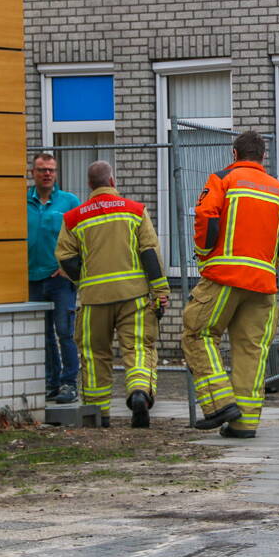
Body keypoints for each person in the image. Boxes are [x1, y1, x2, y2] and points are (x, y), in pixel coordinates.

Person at [180, 131, 279, 438]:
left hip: (223, 277)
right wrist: (272, 259)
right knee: (251, 349)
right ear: (263, 157)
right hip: (263, 283)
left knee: (198, 333)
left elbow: (205, 216)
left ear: (234, 154)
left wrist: (203, 252)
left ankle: (219, 404)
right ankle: (244, 423)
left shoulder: (222, 179)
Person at [55, 161, 169, 428]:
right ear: (113, 182)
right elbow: (149, 253)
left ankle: (98, 413)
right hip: (135, 296)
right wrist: (160, 292)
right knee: (138, 348)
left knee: (95, 354)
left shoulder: (74, 218)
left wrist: (86, 279)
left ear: (90, 185)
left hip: (95, 299)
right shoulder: (135, 211)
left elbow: (66, 257)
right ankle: (139, 392)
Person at [27, 152, 81, 404]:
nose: (47, 174)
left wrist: (69, 269)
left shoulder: (69, 202)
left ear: (56, 173)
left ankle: (69, 384)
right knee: (43, 334)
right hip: (31, 279)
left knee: (64, 332)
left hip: (60, 280)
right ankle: (51, 383)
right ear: (33, 173)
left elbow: (84, 238)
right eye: (41, 169)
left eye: (51, 170)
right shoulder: (22, 202)